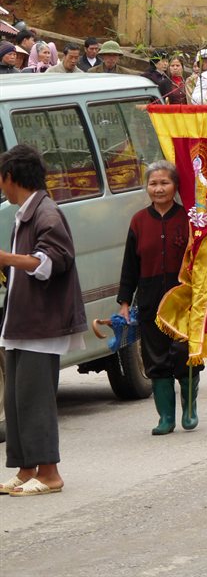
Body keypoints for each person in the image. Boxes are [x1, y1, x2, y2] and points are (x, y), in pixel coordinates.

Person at [0, 144, 87, 496]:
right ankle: (26, 469)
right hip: (22, 323)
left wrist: (6, 258)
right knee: (17, 401)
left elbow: (54, 260)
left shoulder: (47, 213)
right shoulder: (26, 213)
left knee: (35, 399)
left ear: (11, 177)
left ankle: (50, 473)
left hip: (42, 324)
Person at [117, 160, 201, 435]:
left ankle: (189, 408)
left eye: (164, 182)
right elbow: (130, 265)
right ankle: (166, 417)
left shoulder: (189, 218)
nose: (158, 188)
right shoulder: (138, 221)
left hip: (183, 299)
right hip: (150, 299)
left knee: (184, 355)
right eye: (153, 183)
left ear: (176, 186)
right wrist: (125, 303)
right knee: (156, 359)